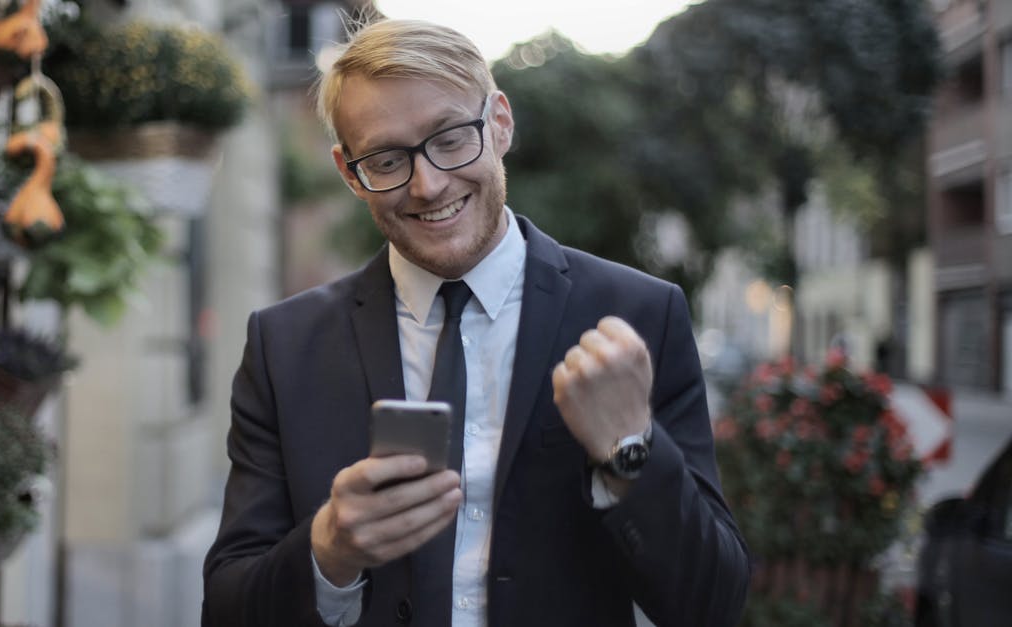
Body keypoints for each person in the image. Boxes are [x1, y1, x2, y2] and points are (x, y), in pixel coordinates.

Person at [202, 18, 749, 627]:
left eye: (451, 138)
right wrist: (328, 550)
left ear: (500, 122)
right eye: (386, 159)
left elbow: (712, 602)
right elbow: (226, 607)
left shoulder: (640, 314)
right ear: (348, 172)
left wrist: (629, 450)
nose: (429, 184)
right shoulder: (284, 346)